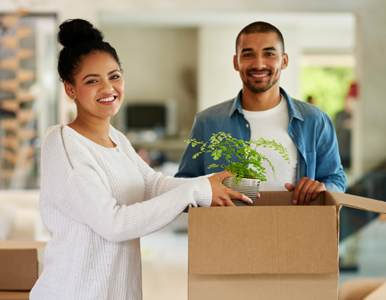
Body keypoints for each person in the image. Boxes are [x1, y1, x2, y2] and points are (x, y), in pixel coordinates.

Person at [30, 19, 252, 300]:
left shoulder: (117, 139)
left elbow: (153, 185)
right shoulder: (62, 144)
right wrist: (196, 190)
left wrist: (212, 183)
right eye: (92, 80)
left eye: (114, 76)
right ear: (70, 89)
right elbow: (113, 224)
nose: (108, 87)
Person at [176, 21, 347, 205]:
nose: (258, 64)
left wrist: (323, 189)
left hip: (296, 230)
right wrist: (206, 192)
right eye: (248, 54)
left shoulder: (315, 120)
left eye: (269, 54)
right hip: (227, 231)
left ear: (284, 61)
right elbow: (183, 188)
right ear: (236, 62)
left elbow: (337, 181)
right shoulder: (207, 122)